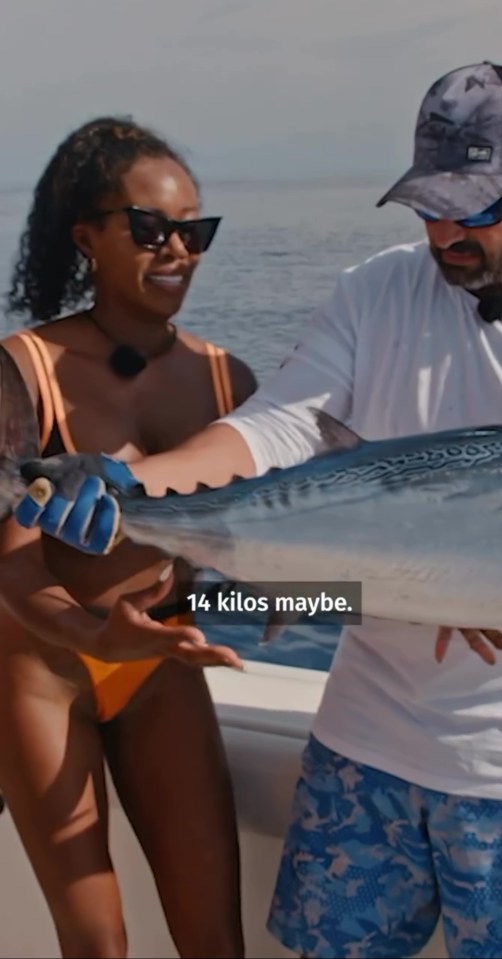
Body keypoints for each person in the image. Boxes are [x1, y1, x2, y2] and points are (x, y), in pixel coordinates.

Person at [15, 62, 502, 959]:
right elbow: (280, 430)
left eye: (476, 207)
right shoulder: (381, 289)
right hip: (361, 747)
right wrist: (135, 494)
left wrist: (434, 585)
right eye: (428, 203)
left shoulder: (213, 367)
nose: (444, 229)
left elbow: (308, 588)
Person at [0, 116, 258, 959]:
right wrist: (87, 631)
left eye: (195, 231)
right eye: (149, 229)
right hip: (41, 671)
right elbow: (11, 562)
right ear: (88, 237)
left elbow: (261, 569)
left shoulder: (229, 380)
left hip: (160, 666)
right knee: (97, 945)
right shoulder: (23, 364)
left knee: (216, 939)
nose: (176, 249)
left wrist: (378, 602)